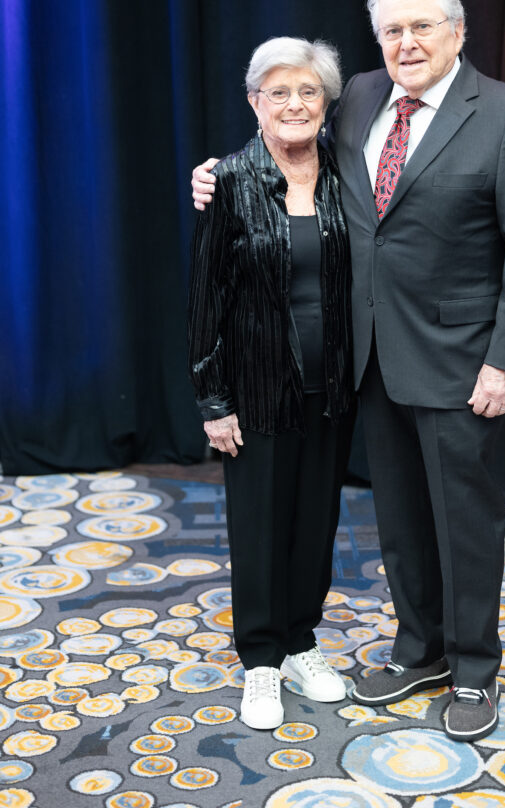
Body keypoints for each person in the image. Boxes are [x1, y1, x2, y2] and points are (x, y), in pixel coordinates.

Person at [192, 0, 505, 742]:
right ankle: (419, 650)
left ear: (457, 32)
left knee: (463, 522)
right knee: (397, 521)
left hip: (461, 362)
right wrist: (218, 175)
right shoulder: (355, 95)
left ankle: (474, 670)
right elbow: (285, 145)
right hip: (368, 360)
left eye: (422, 27)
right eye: (392, 30)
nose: (406, 43)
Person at [187, 36, 354, 730]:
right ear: (255, 103)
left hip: (332, 386)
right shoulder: (228, 180)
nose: (294, 104)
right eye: (277, 92)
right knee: (259, 527)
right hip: (255, 388)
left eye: (307, 91)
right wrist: (212, 399)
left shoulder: (350, 172)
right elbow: (207, 299)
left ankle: (300, 641)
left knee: (315, 523)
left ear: (327, 102)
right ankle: (260, 659)